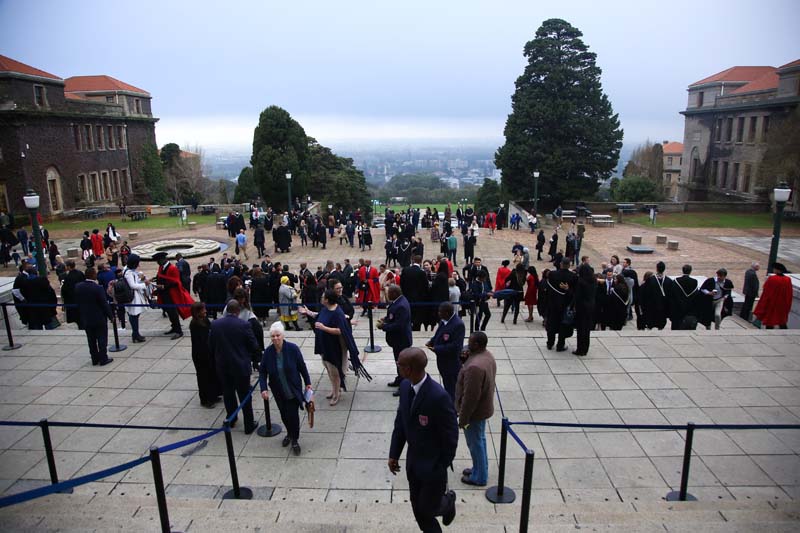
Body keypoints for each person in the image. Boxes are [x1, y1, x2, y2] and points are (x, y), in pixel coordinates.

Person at [388, 347, 457, 532]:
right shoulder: (404, 387)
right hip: (413, 464)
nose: (397, 365)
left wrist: (441, 464)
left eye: (399, 364)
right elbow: (401, 423)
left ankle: (447, 502)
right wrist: (394, 454)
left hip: (433, 468)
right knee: (418, 509)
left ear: (409, 369)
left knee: (427, 510)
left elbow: (451, 436)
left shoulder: (438, 396)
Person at [260, 321, 313, 454]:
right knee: (283, 414)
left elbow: (302, 366)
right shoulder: (268, 352)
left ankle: (294, 439)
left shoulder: (293, 349)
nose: (275, 338)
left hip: (292, 389)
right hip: (278, 391)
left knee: (293, 416)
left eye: (278, 335)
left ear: (283, 335)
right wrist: (263, 388)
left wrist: (307, 382)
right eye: (272, 336)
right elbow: (262, 372)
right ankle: (289, 433)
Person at [209, 300, 260, 434]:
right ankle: (249, 424)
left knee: (228, 393)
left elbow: (211, 345)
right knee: (244, 395)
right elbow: (254, 345)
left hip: (223, 366)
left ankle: (231, 419)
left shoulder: (215, 324)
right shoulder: (244, 325)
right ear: (238, 311)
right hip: (240, 366)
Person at [304, 289, 361, 406]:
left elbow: (340, 330)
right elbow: (319, 315)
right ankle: (334, 389)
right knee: (328, 368)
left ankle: (336, 394)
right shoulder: (325, 309)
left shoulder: (337, 313)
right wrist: (308, 312)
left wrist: (324, 328)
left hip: (334, 347)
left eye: (323, 297)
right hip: (324, 345)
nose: (321, 298)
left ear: (327, 300)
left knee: (334, 372)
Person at [455, 331, 496, 487]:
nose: (468, 343)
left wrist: (463, 419)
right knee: (480, 440)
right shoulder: (487, 356)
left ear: (477, 345)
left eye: (471, 342)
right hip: (483, 410)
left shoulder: (474, 367)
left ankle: (479, 477)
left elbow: (470, 397)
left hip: (474, 414)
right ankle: (479, 468)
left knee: (475, 443)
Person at [425, 302, 465, 402]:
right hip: (442, 361)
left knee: (452, 386)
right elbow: (439, 334)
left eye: (440, 312)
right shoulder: (443, 321)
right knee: (447, 383)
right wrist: (432, 341)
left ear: (447, 313)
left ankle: (454, 408)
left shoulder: (458, 325)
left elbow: (456, 346)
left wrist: (437, 349)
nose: (438, 313)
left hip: (451, 363)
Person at [74, 267, 114, 366]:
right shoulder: (98, 288)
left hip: (86, 318)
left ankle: (94, 358)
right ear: (93, 275)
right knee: (101, 339)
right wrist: (111, 316)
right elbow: (104, 304)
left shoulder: (78, 286)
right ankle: (103, 358)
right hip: (98, 317)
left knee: (91, 339)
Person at [379, 284, 412, 397]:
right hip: (397, 340)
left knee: (402, 363)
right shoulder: (399, 301)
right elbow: (394, 317)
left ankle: (404, 385)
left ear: (394, 294)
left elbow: (399, 325)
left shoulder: (401, 305)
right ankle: (399, 378)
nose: (387, 295)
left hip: (401, 340)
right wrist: (386, 319)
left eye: (388, 293)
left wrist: (384, 326)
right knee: (398, 361)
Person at [154, 251, 194, 339]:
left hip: (172, 294)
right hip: (164, 294)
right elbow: (159, 277)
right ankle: (174, 327)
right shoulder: (161, 267)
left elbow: (176, 282)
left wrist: (163, 286)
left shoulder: (172, 268)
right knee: (169, 311)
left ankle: (179, 331)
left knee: (173, 312)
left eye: (158, 260)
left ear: (164, 259)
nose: (157, 263)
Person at [189, 302, 220, 407]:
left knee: (211, 375)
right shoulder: (195, 324)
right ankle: (205, 399)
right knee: (203, 377)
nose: (205, 311)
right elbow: (201, 342)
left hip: (209, 352)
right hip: (201, 355)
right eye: (203, 310)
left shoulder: (205, 320)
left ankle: (213, 394)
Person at [545, 258, 576, 351]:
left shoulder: (552, 274)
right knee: (563, 325)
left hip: (553, 304)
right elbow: (574, 292)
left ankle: (550, 343)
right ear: (569, 265)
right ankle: (560, 345)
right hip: (565, 305)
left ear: (561, 264)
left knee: (551, 324)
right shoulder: (573, 277)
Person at [753, 262, 793, 329]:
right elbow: (789, 294)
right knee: (782, 320)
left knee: (770, 320)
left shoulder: (772, 279)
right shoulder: (788, 280)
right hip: (782, 304)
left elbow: (766, 292)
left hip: (772, 304)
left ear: (777, 270)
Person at [639, 261, 673, 330]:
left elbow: (645, 294)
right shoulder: (669, 281)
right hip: (663, 307)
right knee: (661, 323)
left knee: (651, 323)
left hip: (652, 306)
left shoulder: (650, 280)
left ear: (656, 269)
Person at [123, 254, 149, 343]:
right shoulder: (128, 272)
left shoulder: (128, 269)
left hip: (133, 295)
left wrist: (140, 278)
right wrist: (144, 284)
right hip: (132, 296)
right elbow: (132, 285)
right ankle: (135, 334)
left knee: (134, 315)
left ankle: (135, 333)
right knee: (134, 315)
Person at [572, 264, 596, 356]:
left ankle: (580, 349)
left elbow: (577, 296)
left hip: (582, 308)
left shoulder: (581, 282)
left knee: (581, 329)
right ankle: (585, 348)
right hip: (591, 306)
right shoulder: (593, 281)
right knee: (587, 330)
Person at [401, 256, 428, 331]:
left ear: (413, 260)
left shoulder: (405, 270)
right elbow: (425, 287)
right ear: (420, 261)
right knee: (417, 319)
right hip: (418, 299)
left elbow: (401, 284)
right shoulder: (422, 272)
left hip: (406, 298)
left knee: (408, 316)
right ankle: (416, 329)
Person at [669, 264, 699, 330]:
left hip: (677, 309)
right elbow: (696, 297)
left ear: (682, 271)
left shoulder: (676, 281)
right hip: (689, 310)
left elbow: (672, 296)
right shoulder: (694, 282)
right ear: (690, 271)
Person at [61, 259, 84, 325]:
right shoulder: (80, 273)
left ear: (68, 267)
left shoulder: (68, 277)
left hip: (72, 300)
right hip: (81, 298)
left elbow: (65, 290)